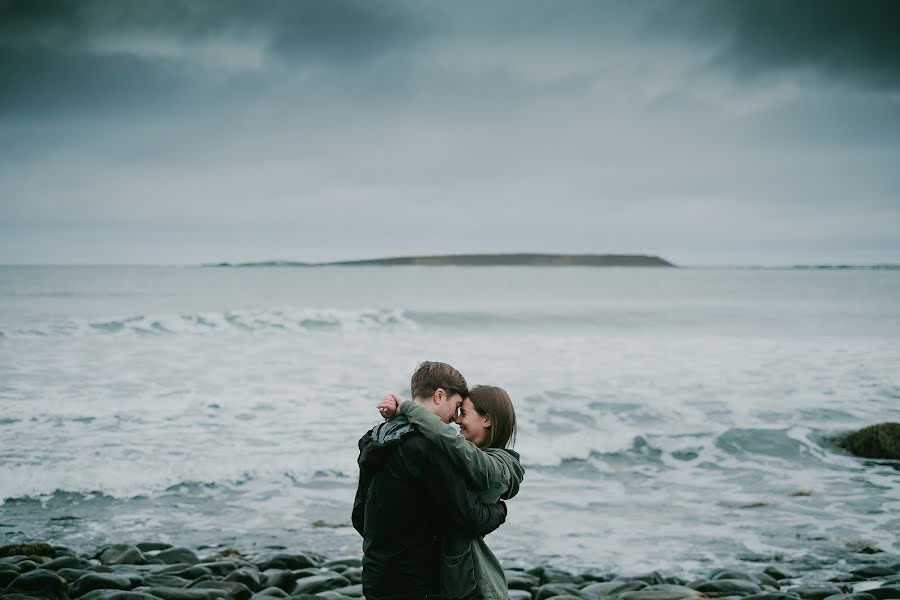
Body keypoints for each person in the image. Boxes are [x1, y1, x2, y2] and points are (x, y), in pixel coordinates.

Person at [352, 362, 508, 600]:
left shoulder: (375, 438)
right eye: (456, 406)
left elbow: (359, 517)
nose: (455, 419)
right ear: (438, 396)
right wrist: (500, 509)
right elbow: (471, 518)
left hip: (376, 576)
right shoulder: (428, 449)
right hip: (418, 583)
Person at [378, 384, 523, 600]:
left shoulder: (501, 466)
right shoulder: (465, 460)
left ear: (487, 420)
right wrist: (395, 422)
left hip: (477, 587)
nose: (456, 420)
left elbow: (451, 443)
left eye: (463, 412)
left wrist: (409, 408)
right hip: (452, 580)